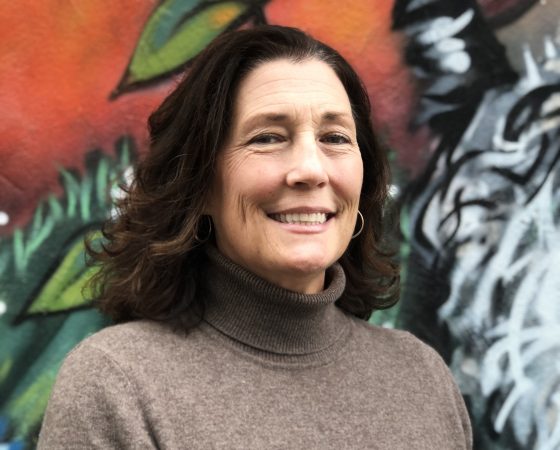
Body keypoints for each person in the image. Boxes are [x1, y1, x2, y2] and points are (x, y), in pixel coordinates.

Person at [37, 25, 472, 449]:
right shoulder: (118, 386)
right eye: (267, 137)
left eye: (335, 137)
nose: (311, 169)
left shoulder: (421, 377)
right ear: (200, 184)